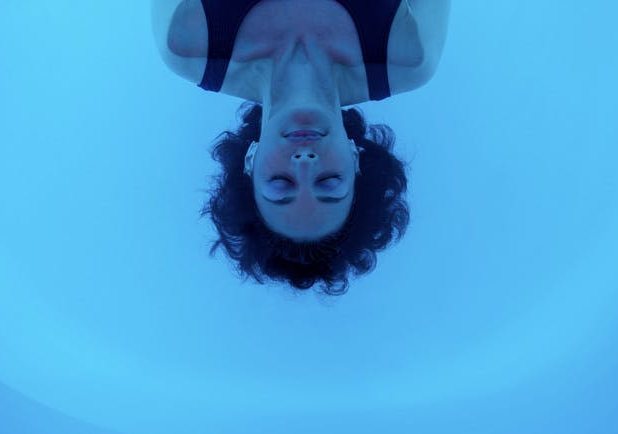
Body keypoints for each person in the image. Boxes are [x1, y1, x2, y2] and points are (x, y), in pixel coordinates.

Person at [151, 0, 450, 295]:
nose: (305, 162)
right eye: (329, 182)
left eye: (281, 184)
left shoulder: (187, 42)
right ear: (355, 159)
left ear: (250, 161)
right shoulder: (408, 56)